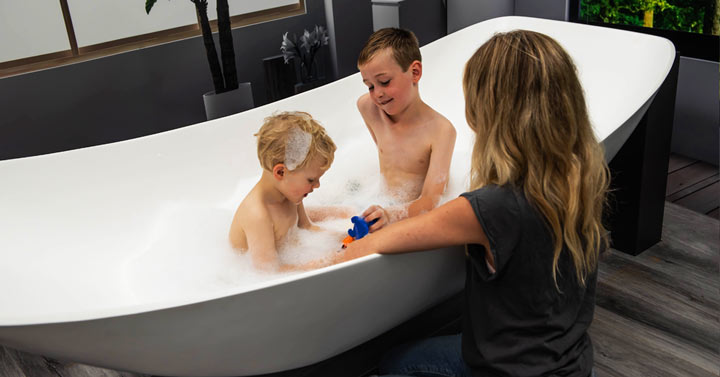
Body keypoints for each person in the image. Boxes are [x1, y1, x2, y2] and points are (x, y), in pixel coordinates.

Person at [340, 30, 609, 377]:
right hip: (568, 360)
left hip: (506, 370)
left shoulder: (487, 209)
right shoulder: (581, 174)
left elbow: (371, 244)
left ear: (485, 112)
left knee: (392, 364)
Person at [356, 28, 456, 232]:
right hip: (376, 202)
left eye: (384, 82)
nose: (378, 94)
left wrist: (391, 215)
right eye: (370, 86)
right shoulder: (368, 108)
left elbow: (431, 200)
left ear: (415, 72)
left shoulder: (441, 131)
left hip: (410, 217)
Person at [229, 111, 337, 272]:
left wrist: (343, 238)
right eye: (311, 180)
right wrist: (328, 262)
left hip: (290, 257)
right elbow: (268, 272)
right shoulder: (258, 215)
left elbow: (306, 227)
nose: (317, 185)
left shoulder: (291, 194)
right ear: (280, 172)